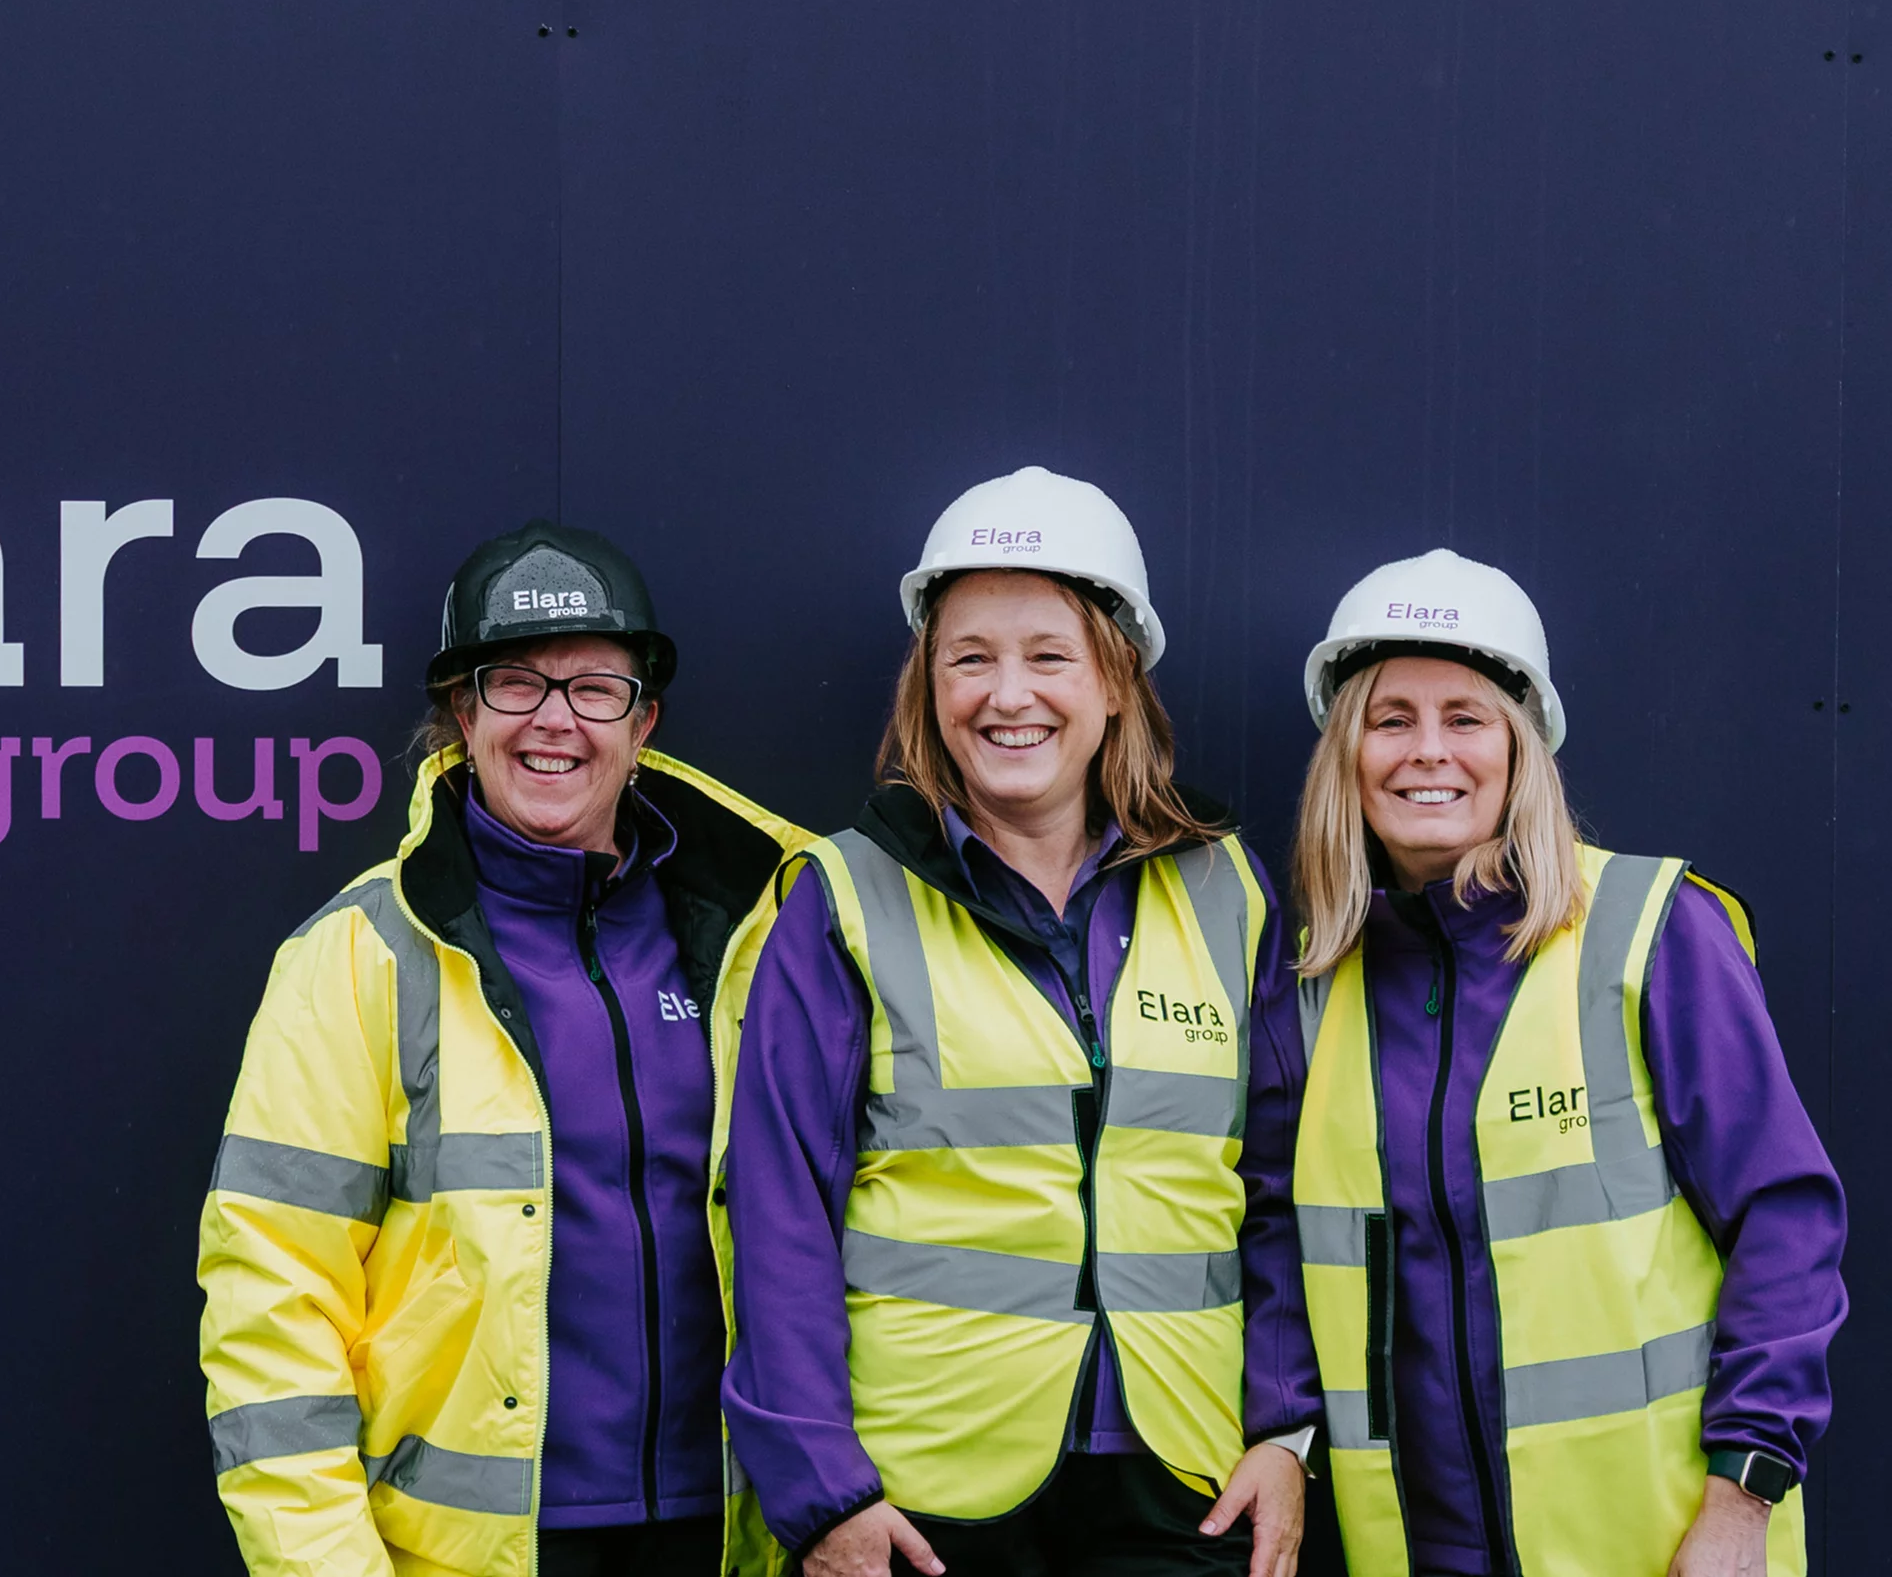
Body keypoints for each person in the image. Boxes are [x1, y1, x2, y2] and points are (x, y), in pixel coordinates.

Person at [722, 466, 1320, 1577]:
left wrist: (1282, 1432)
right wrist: (820, 1494)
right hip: (920, 1502)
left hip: (1183, 1489)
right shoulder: (841, 899)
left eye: (1048, 656)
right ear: (927, 683)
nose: (1007, 695)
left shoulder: (1223, 890)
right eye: (969, 657)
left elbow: (1281, 1193)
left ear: (1114, 679)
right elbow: (778, 1216)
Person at [197, 521, 810, 1577]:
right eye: (514, 684)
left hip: (734, 1539)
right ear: (462, 716)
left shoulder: (765, 929)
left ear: (644, 719)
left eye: (594, 688)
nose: (554, 722)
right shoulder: (360, 957)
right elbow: (272, 1306)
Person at [1286, 548, 1845, 1577]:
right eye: (1390, 716)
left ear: (1521, 746)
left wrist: (1742, 1500)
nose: (1427, 752)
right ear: (1346, 751)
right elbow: (1281, 1248)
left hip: (1666, 1548)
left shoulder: (1649, 932)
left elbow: (1787, 1219)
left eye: (1465, 717)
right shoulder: (1315, 987)